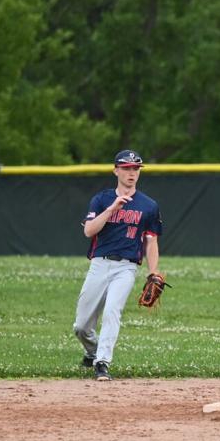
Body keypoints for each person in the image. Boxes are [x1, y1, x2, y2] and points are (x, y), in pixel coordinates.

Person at [72, 149, 163, 381]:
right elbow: (88, 231)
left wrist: (153, 272)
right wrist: (112, 209)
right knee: (81, 326)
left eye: (135, 168)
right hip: (99, 264)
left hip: (127, 267)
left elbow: (151, 240)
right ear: (116, 170)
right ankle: (92, 351)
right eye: (126, 168)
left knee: (113, 311)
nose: (132, 172)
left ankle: (102, 363)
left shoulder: (149, 205)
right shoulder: (101, 199)